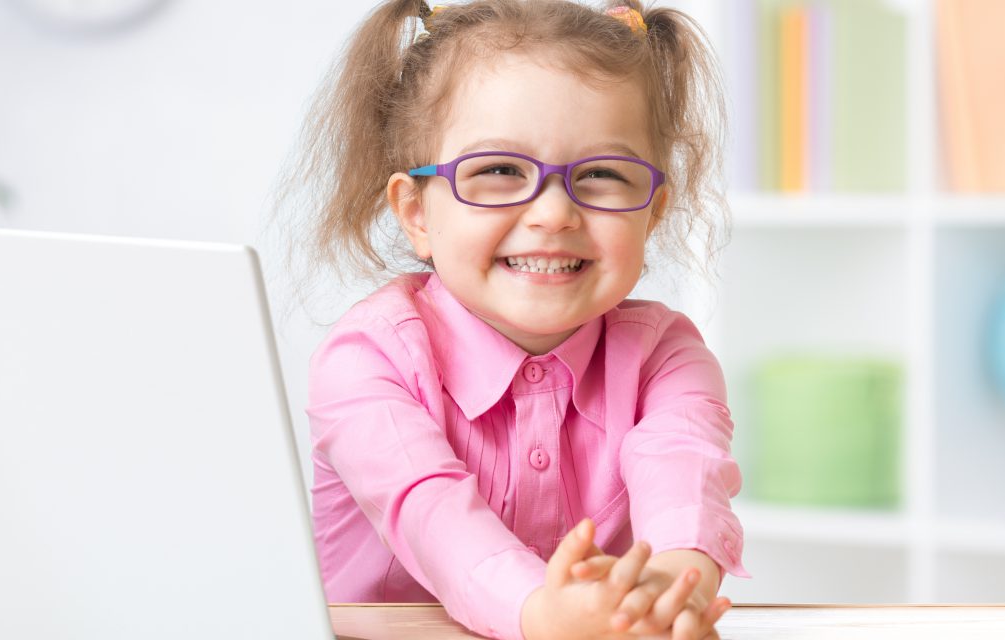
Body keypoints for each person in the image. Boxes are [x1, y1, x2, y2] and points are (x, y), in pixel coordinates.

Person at [287, 1, 750, 638]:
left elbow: (684, 473)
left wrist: (665, 596)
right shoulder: (368, 360)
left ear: (653, 213)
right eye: (499, 171)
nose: (554, 214)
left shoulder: (665, 357)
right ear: (416, 212)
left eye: (602, 174)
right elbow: (430, 513)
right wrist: (541, 613)